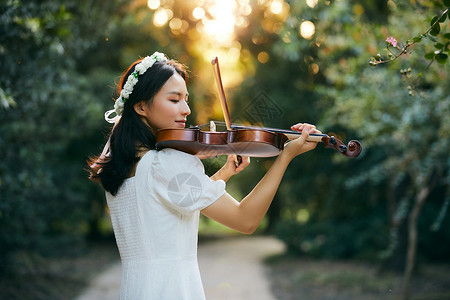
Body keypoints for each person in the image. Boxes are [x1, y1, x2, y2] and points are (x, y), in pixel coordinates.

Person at [87, 51, 321, 299]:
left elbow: (172, 203)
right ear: (141, 106)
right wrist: (285, 156)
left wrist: (224, 173)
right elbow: (246, 220)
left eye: (186, 99)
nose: (186, 109)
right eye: (174, 100)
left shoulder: (122, 164)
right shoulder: (167, 164)